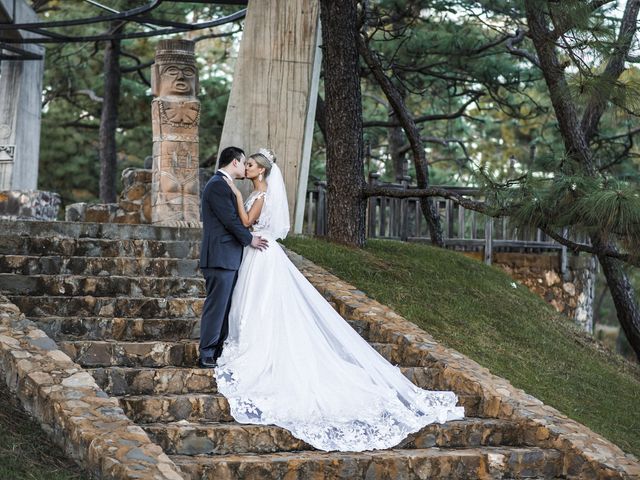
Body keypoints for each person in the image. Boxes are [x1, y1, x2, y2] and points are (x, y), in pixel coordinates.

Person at [217, 148, 464, 452]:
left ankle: (258, 348)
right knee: (256, 304)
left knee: (263, 304)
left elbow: (245, 224)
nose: (247, 168)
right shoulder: (260, 191)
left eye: (251, 165)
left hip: (262, 255)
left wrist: (238, 199)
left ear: (262, 171)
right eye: (247, 164)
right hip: (258, 255)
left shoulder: (262, 193)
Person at [198, 146, 268, 369]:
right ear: (235, 162)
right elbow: (230, 220)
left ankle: (217, 350)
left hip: (228, 257)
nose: (246, 167)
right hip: (220, 256)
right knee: (217, 306)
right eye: (244, 162)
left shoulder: (223, 185)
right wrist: (250, 240)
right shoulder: (218, 185)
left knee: (226, 306)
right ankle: (206, 353)